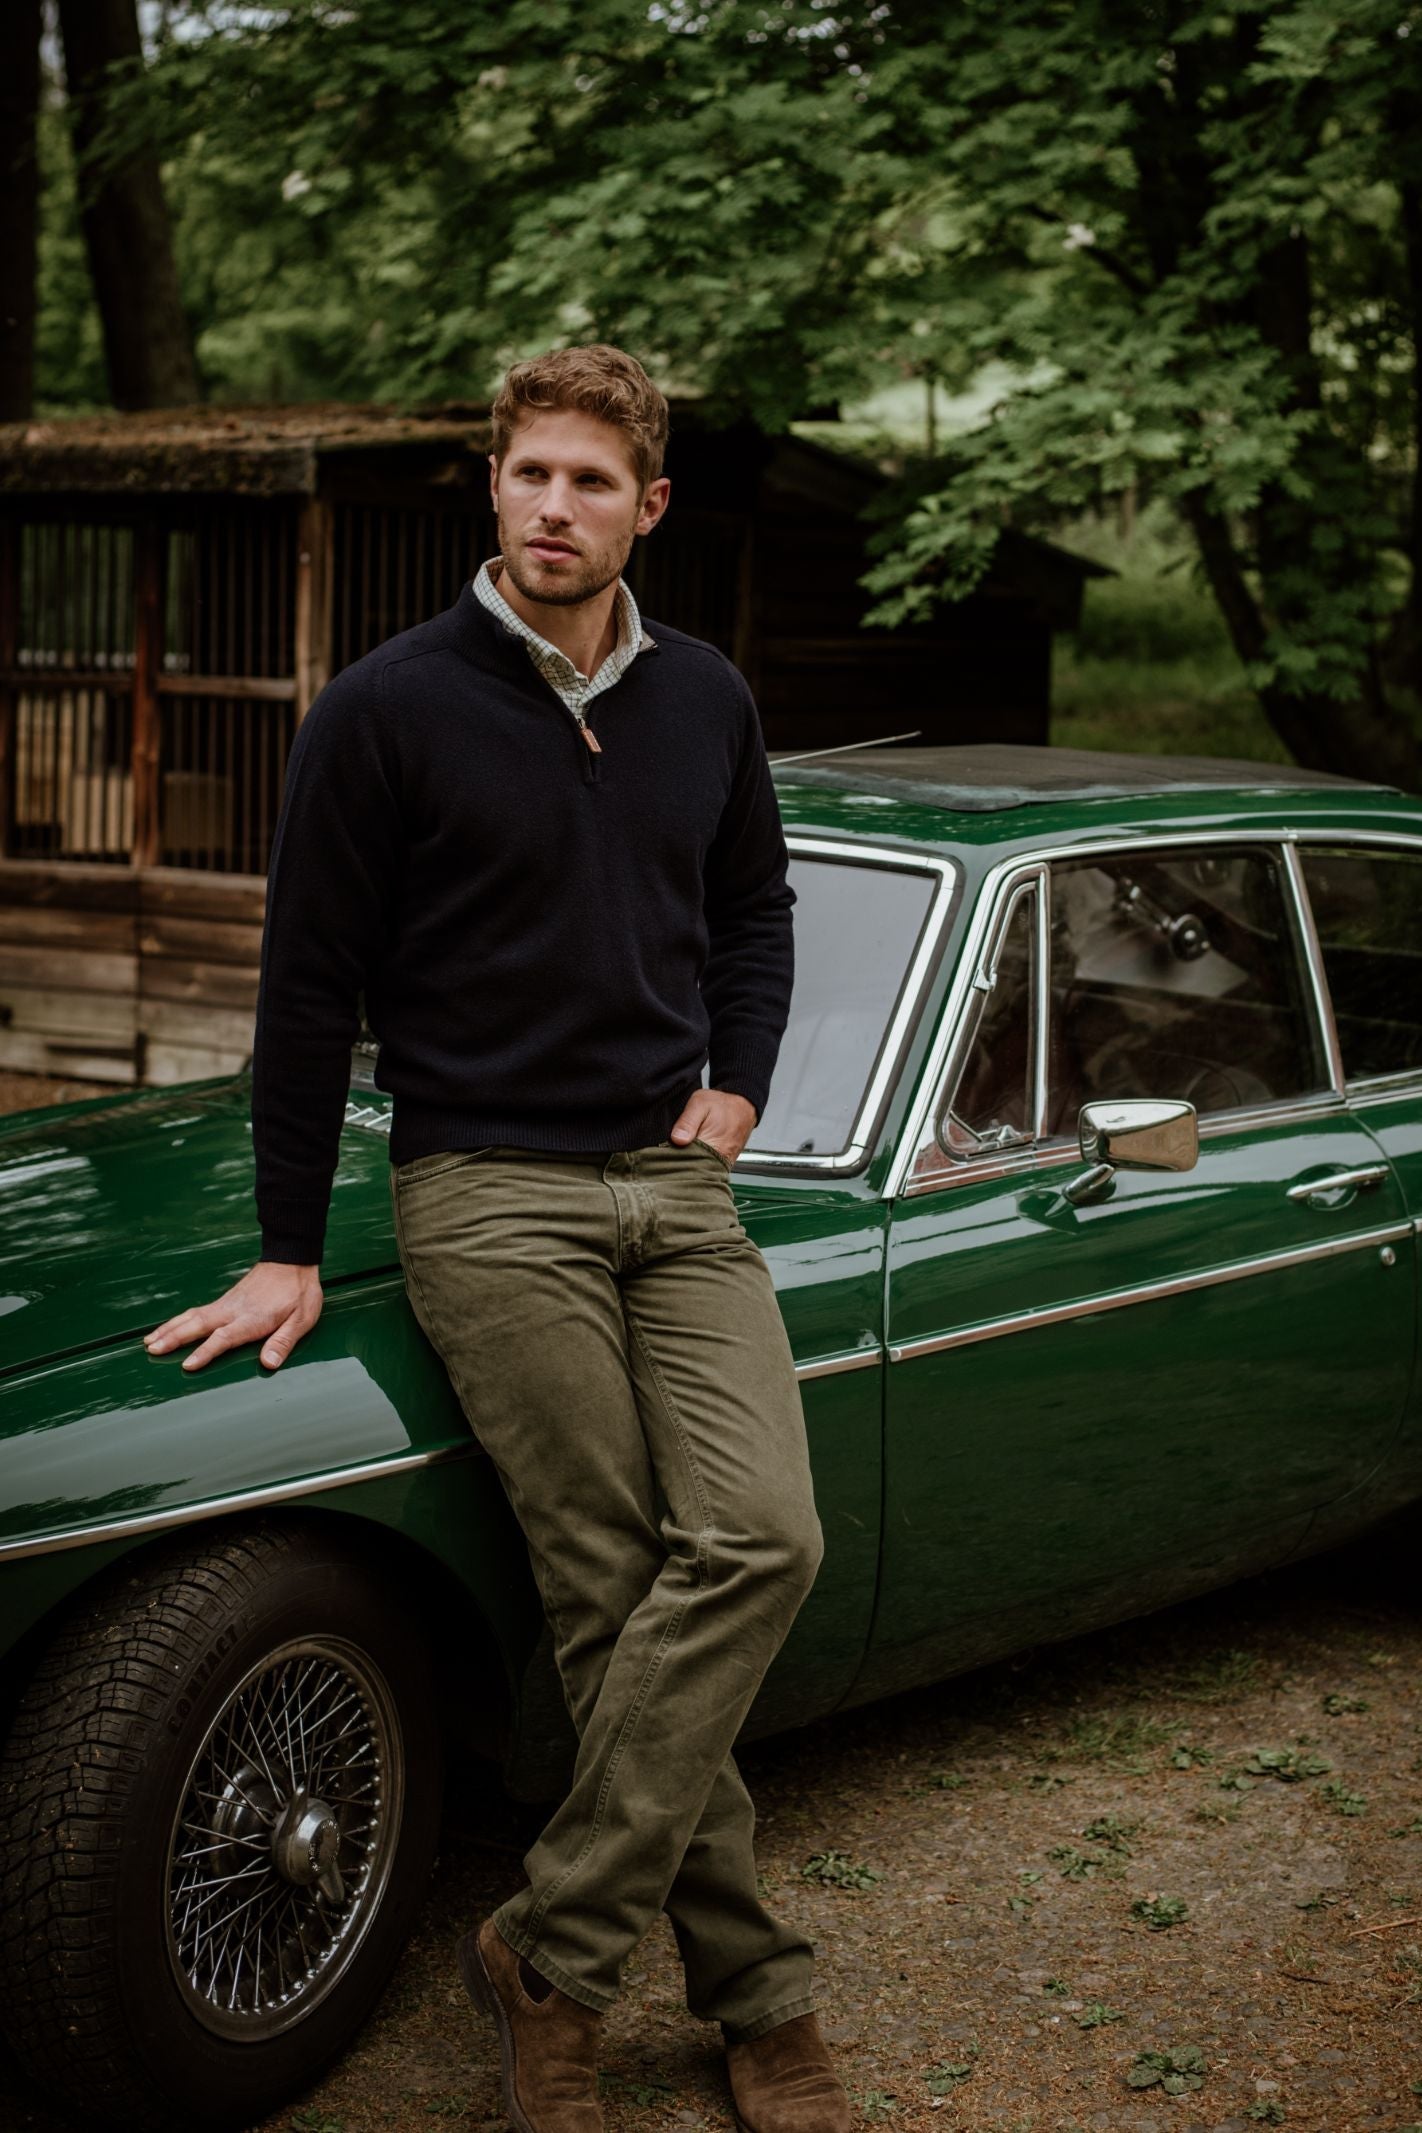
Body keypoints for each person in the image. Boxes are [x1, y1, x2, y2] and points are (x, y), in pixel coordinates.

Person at [142, 343, 851, 2133]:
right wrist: (291, 1242)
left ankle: (548, 1944)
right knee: (609, 1582)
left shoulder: (704, 697)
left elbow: (755, 907)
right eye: (529, 473)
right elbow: (305, 993)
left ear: (647, 506)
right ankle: (757, 1992)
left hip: (671, 1189)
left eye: (591, 481)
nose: (554, 505)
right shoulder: (386, 707)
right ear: (494, 487)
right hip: (488, 1193)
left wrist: (741, 1086)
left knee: (763, 1536)